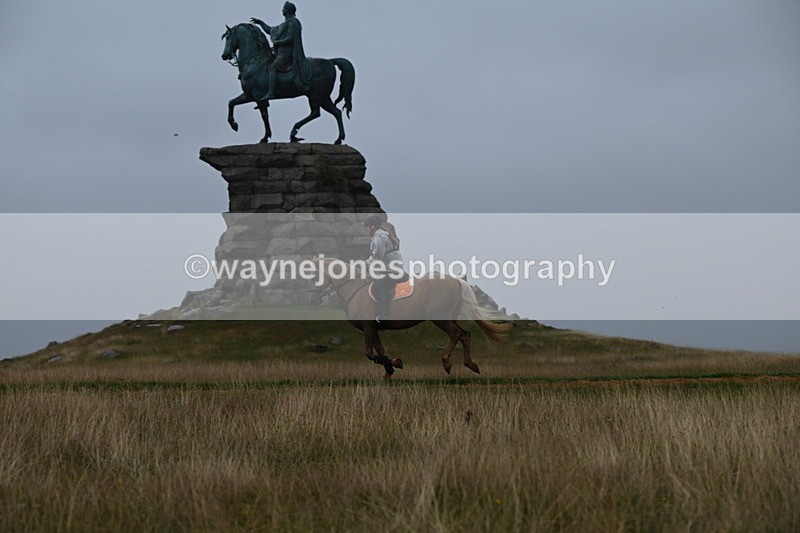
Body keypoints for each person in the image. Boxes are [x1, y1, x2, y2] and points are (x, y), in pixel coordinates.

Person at [250, 2, 311, 101]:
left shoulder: (293, 22)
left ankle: (271, 93)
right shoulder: (284, 25)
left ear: (287, 10)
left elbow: (290, 39)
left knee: (273, 67)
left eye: (283, 8)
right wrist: (260, 23)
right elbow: (271, 30)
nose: (282, 10)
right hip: (280, 53)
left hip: (287, 53)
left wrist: (277, 42)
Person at [363, 214, 404, 322]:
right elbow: (374, 256)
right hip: (393, 267)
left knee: (379, 286)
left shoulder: (379, 237)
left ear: (372, 227)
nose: (366, 230)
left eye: (367, 227)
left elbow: (377, 258)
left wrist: (365, 266)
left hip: (389, 269)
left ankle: (384, 314)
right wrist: (365, 263)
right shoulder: (383, 234)